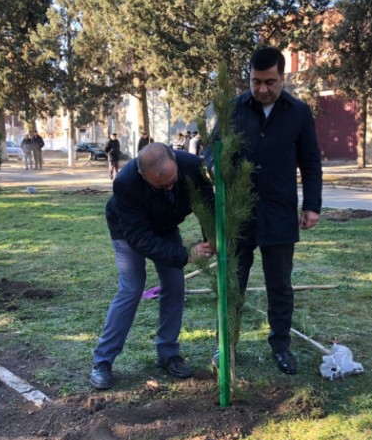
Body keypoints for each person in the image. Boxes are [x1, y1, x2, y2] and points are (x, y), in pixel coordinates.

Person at [204, 46, 322, 375]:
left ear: (283, 77)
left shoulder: (298, 112)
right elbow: (211, 150)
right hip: (240, 213)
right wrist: (217, 167)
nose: (262, 89)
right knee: (234, 283)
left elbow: (311, 161)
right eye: (256, 81)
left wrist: (312, 204)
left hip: (280, 212)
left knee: (280, 285)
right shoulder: (233, 109)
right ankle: (227, 345)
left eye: (270, 82)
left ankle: (280, 345)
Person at [90, 143, 216, 390]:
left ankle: (167, 353)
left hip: (166, 226)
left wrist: (210, 237)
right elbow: (139, 238)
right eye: (161, 186)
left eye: (172, 181)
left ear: (176, 163)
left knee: (175, 286)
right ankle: (102, 362)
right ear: (142, 175)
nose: (169, 187)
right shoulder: (125, 183)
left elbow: (207, 204)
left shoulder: (192, 166)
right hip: (128, 231)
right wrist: (186, 255)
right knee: (131, 289)